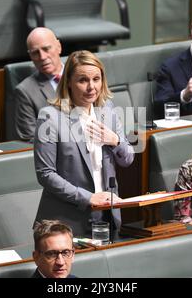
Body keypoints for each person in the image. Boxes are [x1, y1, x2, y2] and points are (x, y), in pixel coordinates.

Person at [33, 50, 134, 237]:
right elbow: (45, 174)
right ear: (69, 82)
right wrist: (89, 198)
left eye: (96, 79)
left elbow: (127, 158)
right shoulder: (50, 117)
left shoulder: (107, 110)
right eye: (82, 80)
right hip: (66, 221)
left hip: (107, 215)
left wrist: (114, 141)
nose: (91, 87)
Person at [14, 27, 64, 141]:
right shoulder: (25, 91)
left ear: (58, 47)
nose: (42, 57)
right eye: (35, 53)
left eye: (46, 49)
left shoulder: (84, 75)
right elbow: (29, 138)